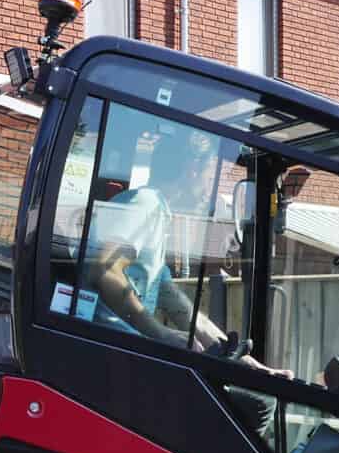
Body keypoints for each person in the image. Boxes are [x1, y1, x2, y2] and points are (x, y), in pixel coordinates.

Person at [84, 124, 291, 434]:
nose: (211, 185)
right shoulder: (145, 205)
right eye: (210, 175)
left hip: (128, 354)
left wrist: (240, 359)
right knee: (255, 406)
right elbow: (103, 268)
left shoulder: (157, 211)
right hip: (112, 358)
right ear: (193, 170)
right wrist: (159, 333)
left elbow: (170, 296)